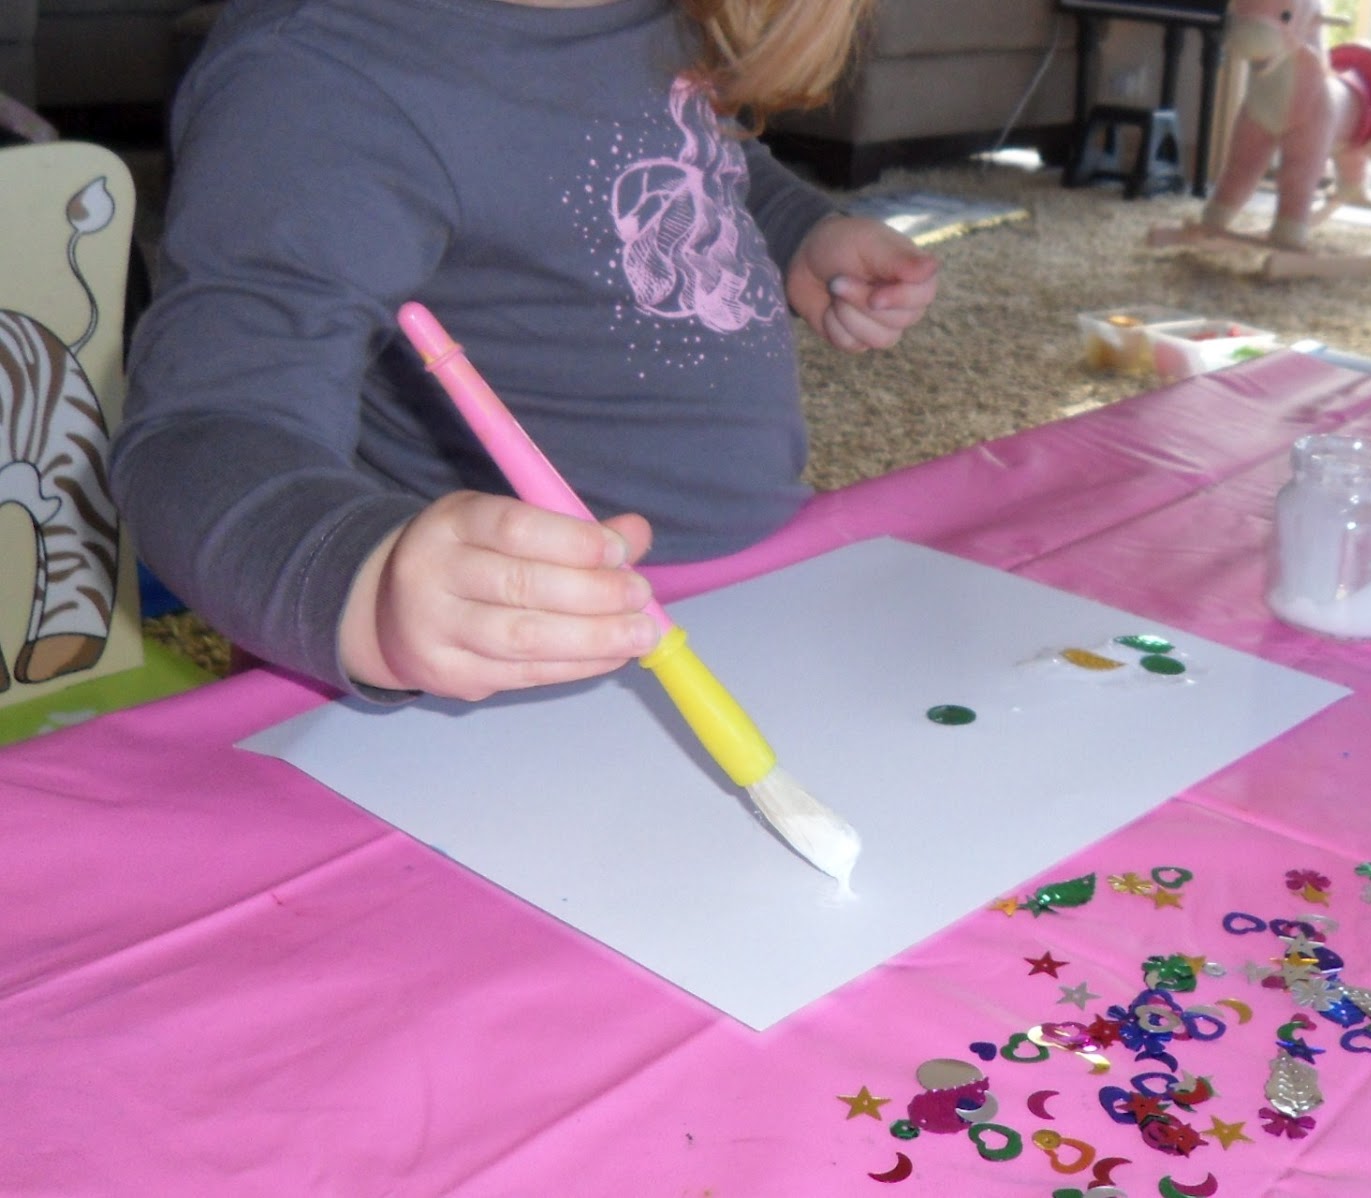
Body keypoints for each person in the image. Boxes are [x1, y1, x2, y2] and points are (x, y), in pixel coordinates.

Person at [110, 0, 938, 703]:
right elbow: (203, 427)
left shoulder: (656, 18)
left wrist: (800, 233)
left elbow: (702, 155)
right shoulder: (320, 74)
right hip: (506, 658)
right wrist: (365, 587)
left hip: (751, 597)